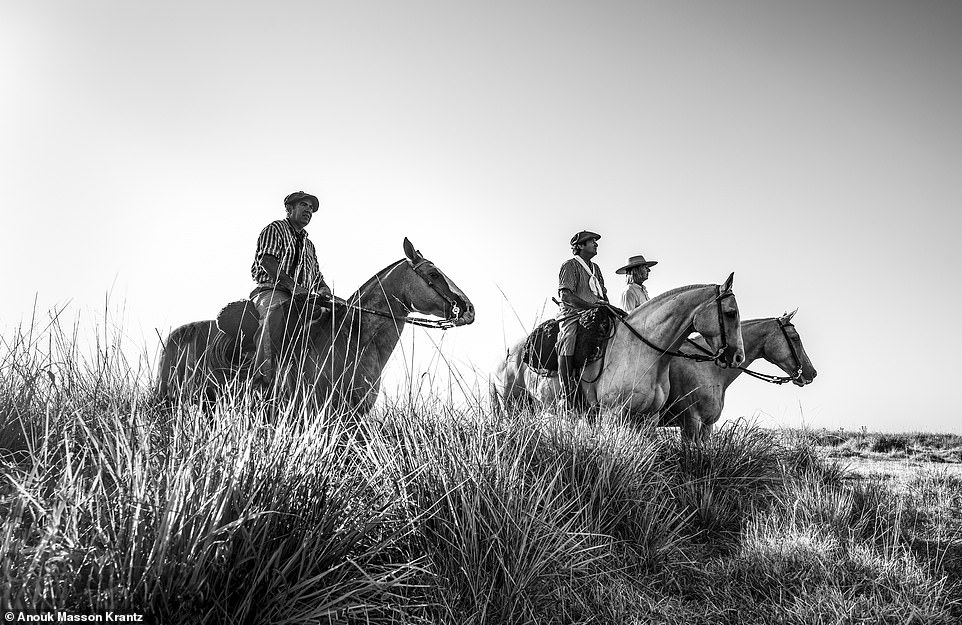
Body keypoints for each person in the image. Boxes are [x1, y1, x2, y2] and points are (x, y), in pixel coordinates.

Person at [250, 191, 332, 384]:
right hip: (272, 292)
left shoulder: (309, 245)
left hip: (303, 299)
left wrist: (324, 289)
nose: (309, 211)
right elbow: (267, 261)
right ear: (289, 209)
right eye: (304, 205)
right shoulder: (275, 229)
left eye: (311, 209)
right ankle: (262, 382)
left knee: (333, 320)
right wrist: (292, 287)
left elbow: (317, 276)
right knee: (275, 318)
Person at [555, 230, 609, 411]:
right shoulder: (569, 266)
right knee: (568, 338)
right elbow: (566, 295)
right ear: (579, 246)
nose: (596, 244)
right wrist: (589, 307)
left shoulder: (596, 269)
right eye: (592, 241)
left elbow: (603, 293)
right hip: (573, 314)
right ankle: (567, 390)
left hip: (597, 312)